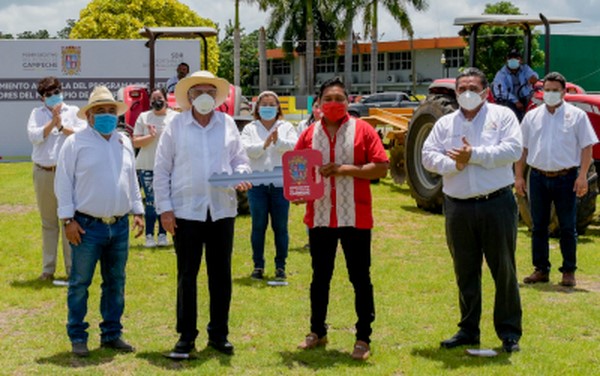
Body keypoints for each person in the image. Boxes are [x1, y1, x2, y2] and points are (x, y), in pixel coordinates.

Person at [422, 67, 523, 353]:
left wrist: (474, 155)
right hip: (458, 206)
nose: (467, 93)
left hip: (496, 203)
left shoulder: (502, 117)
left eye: (472, 88)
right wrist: (455, 165)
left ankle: (509, 332)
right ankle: (468, 329)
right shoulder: (445, 124)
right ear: (455, 92)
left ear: (485, 92)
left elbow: (513, 150)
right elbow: (428, 156)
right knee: (465, 270)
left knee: (503, 269)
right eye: (462, 88)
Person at [154, 70, 252, 357]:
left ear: (216, 97)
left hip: (221, 211)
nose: (204, 97)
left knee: (221, 275)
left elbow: (240, 160)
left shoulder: (227, 123)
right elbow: (162, 170)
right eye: (198, 92)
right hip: (186, 211)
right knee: (187, 274)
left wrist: (242, 175)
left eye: (210, 92)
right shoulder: (175, 126)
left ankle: (219, 335)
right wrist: (165, 209)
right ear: (189, 97)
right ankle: (186, 336)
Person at [294, 77, 389, 361]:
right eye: (328, 99)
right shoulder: (310, 134)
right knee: (320, 277)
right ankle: (317, 331)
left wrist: (345, 169)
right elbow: (297, 170)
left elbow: (381, 168)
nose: (334, 104)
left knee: (360, 278)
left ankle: (363, 337)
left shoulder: (363, 130)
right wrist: (299, 192)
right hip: (320, 217)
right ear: (319, 104)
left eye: (339, 98)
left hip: (355, 216)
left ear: (348, 101)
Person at [54, 85, 145, 357]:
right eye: (100, 111)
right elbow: (63, 182)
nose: (106, 115)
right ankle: (78, 337)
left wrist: (138, 210)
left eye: (110, 111)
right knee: (80, 283)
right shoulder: (75, 142)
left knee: (115, 281)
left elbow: (130, 178)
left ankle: (112, 334)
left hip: (118, 225)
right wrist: (68, 220)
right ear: (89, 115)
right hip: (86, 226)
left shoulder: (123, 141)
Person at [516, 72, 599, 288]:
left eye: (555, 90)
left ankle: (568, 271)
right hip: (538, 176)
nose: (550, 94)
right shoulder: (532, 116)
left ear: (563, 92)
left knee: (568, 226)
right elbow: (522, 149)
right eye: (547, 90)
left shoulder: (576, 116)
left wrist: (582, 177)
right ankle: (540, 269)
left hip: (566, 177)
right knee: (538, 226)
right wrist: (518, 177)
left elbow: (587, 147)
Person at [27, 76, 87, 281]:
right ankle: (48, 269)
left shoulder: (73, 111)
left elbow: (81, 135)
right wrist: (52, 122)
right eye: (48, 94)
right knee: (48, 222)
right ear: (42, 98)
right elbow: (34, 136)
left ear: (61, 91)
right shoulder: (36, 114)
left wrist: (61, 126)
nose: (53, 97)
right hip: (43, 172)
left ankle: (73, 269)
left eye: (56, 92)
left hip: (67, 174)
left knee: (69, 220)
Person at [241, 91, 298, 281]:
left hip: (281, 185)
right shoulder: (250, 128)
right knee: (258, 226)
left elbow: (294, 147)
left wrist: (278, 141)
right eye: (263, 104)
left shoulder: (286, 126)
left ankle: (280, 266)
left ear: (278, 107)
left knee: (280, 227)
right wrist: (264, 144)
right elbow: (247, 150)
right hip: (257, 185)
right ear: (257, 108)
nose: (267, 107)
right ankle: (258, 265)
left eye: (271, 104)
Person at [132, 88, 177, 248]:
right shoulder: (144, 117)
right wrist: (150, 136)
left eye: (159, 98)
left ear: (166, 99)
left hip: (168, 168)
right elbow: (135, 142)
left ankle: (163, 234)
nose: (156, 101)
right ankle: (149, 235)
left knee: (165, 201)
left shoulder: (175, 117)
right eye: (153, 99)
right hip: (147, 165)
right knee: (151, 202)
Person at [492, 49, 539, 121]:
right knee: (513, 113)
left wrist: (534, 77)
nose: (513, 60)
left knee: (537, 103)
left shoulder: (525, 68)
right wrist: (516, 101)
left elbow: (533, 75)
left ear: (521, 61)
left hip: (525, 97)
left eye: (516, 58)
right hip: (509, 100)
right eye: (510, 58)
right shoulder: (501, 74)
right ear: (506, 61)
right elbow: (502, 92)